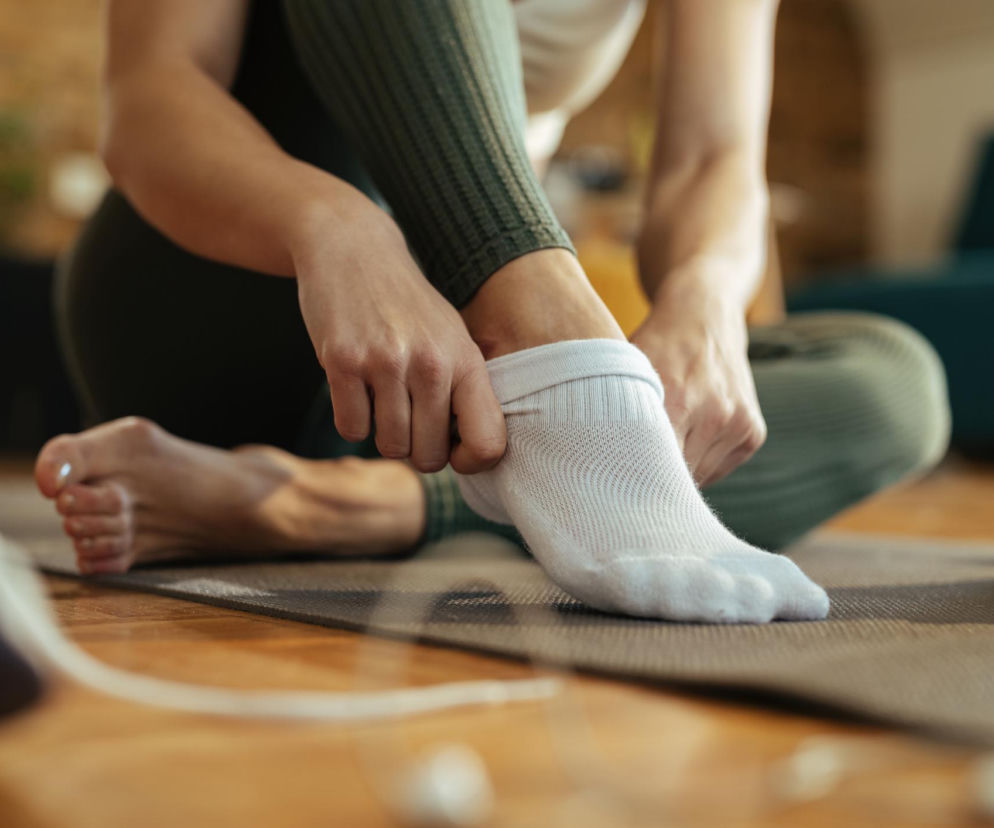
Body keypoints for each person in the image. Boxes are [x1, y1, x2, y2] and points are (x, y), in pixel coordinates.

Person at [34, 0, 949, 623]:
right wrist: (340, 230)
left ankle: (337, 506)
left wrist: (704, 299)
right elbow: (149, 97)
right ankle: (560, 359)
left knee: (894, 383)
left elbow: (713, 157)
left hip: (464, 391)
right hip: (234, 292)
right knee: (572, 380)